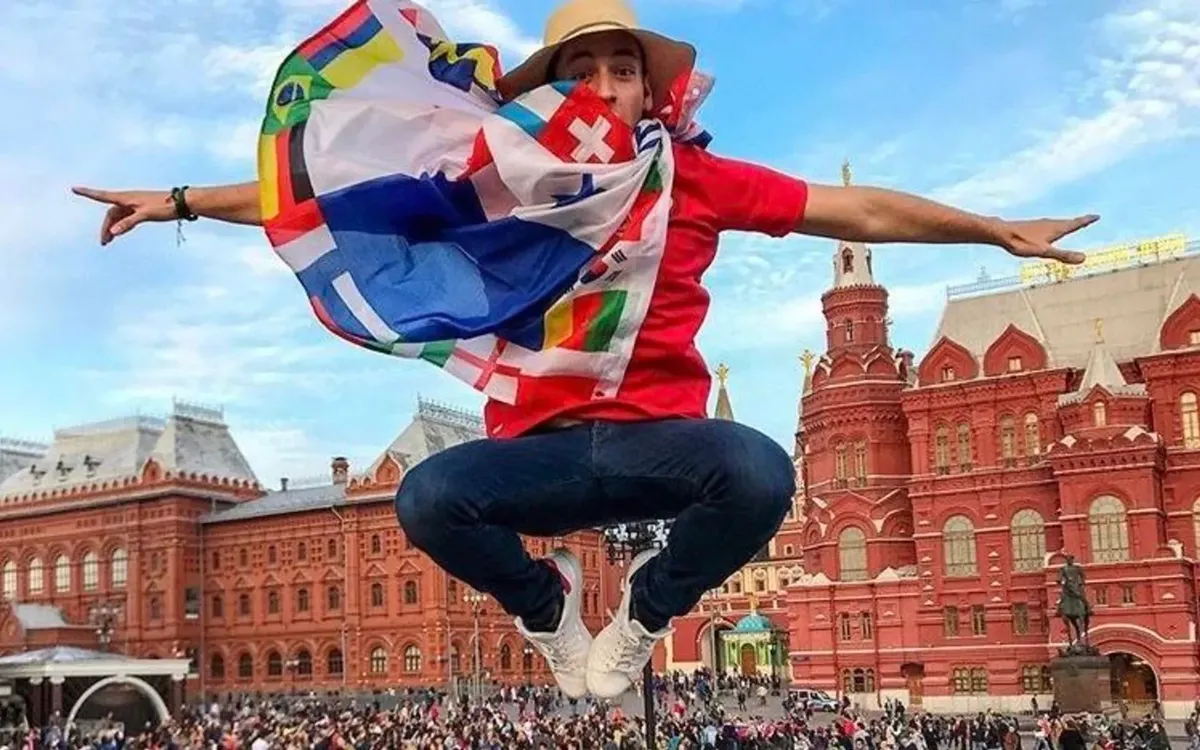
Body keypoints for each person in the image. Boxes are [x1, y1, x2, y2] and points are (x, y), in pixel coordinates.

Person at [73, 0, 1098, 701]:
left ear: (652, 91)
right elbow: (334, 201)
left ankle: (649, 607)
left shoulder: (694, 181)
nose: (606, 85)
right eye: (584, 70)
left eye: (623, 69)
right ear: (555, 89)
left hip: (659, 447)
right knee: (426, 499)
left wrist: (992, 228)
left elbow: (856, 209)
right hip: (542, 457)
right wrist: (180, 201)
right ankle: (547, 606)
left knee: (760, 472)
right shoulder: (500, 178)